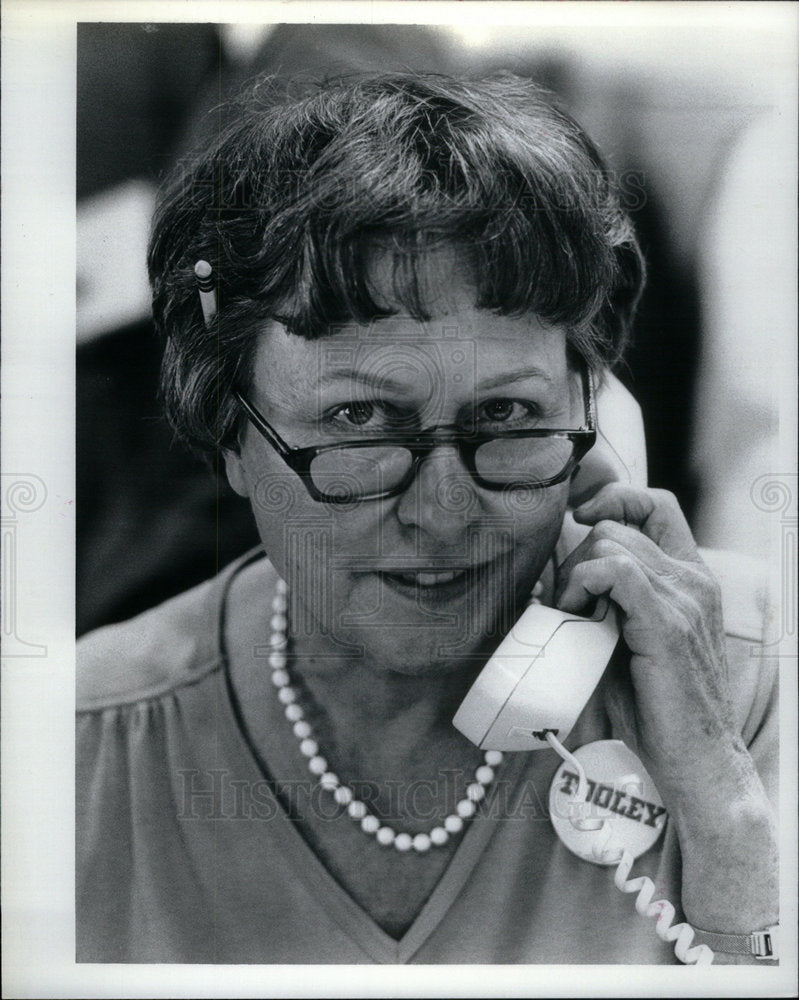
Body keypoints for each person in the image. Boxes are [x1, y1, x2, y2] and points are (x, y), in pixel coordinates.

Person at [76, 73, 778, 965]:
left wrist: (724, 811)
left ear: (594, 415)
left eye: (508, 416)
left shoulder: (749, 677)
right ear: (227, 430)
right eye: (360, 421)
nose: (445, 512)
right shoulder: (73, 747)